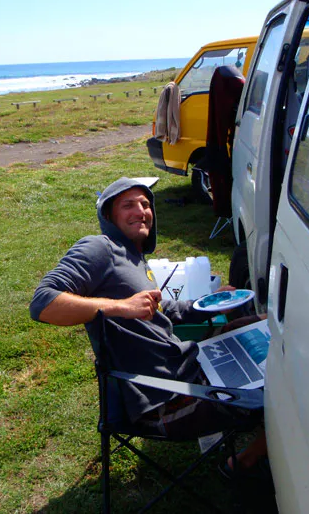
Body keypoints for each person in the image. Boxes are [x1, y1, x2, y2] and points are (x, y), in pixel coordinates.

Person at [29, 177, 262, 440]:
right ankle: (241, 465)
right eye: (128, 205)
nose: (141, 212)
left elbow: (159, 308)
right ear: (109, 215)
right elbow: (43, 303)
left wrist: (206, 303)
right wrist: (121, 307)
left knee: (251, 328)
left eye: (145, 204)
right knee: (277, 392)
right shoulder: (100, 248)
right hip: (164, 400)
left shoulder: (134, 257)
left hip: (186, 370)